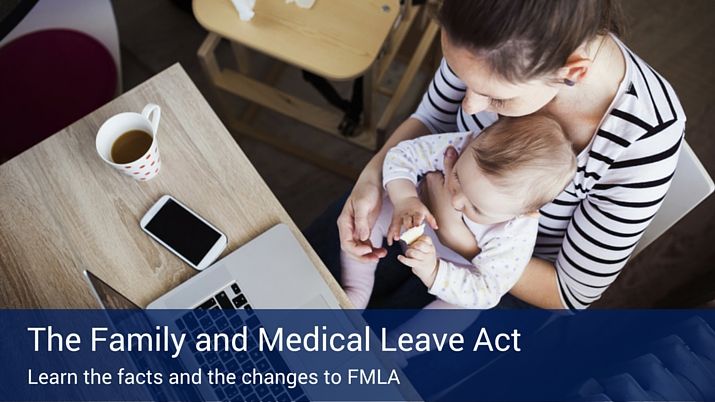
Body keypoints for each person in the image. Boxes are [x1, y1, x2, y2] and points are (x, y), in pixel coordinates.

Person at [310, 0, 685, 311]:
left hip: (501, 275)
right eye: (463, 79)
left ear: (572, 71)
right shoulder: (487, 26)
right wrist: (371, 179)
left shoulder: (644, 136)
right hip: (415, 196)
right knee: (290, 285)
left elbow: (569, 292)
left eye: (497, 98)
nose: (471, 107)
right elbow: (430, 118)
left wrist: (461, 239)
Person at [341, 115, 576, 309]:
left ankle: (396, 348)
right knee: (370, 215)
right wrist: (405, 198)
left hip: (456, 267)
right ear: (475, 139)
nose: (455, 200)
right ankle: (355, 291)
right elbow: (403, 155)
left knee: (462, 310)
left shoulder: (516, 233)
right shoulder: (464, 144)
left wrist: (434, 271)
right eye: (457, 177)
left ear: (525, 213)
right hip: (411, 215)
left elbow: (487, 290)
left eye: (476, 207)